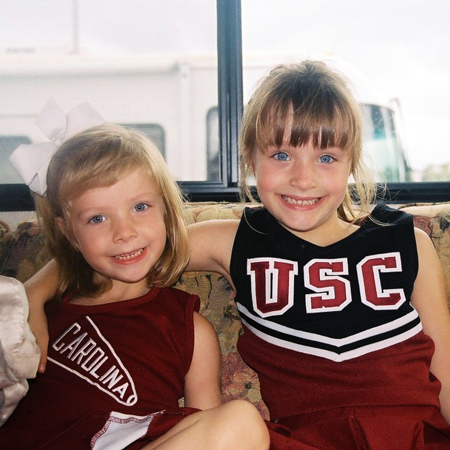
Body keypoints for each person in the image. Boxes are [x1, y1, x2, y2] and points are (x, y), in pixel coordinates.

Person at [22, 61, 450, 449]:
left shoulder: (409, 244)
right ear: (250, 159)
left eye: (326, 157)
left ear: (351, 162)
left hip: (413, 436)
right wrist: (33, 294)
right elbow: (125, 244)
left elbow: (445, 376)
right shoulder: (234, 241)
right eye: (281, 155)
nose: (303, 178)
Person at [0, 103, 270, 450]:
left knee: (241, 422)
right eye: (97, 218)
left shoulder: (190, 329)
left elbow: (205, 423)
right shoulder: (41, 312)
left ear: (165, 210)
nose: (124, 232)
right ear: (68, 233)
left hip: (131, 441)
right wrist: (29, 300)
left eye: (140, 207)